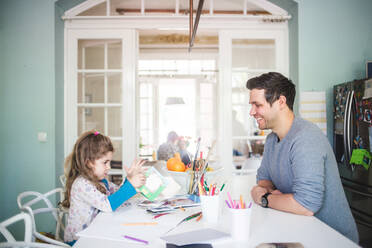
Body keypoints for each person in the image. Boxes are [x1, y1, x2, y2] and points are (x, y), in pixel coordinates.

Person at [247, 72, 359, 243]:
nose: (251, 112)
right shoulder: (271, 139)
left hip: (333, 239)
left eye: (257, 105)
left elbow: (306, 205)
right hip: (302, 231)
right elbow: (263, 181)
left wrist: (265, 199)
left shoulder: (306, 138)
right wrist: (275, 195)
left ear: (281, 102)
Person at [61, 130, 146, 246]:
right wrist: (131, 184)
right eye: (105, 162)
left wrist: (129, 179)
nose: (109, 167)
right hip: (79, 240)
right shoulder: (82, 184)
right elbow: (107, 205)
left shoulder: (101, 181)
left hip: (96, 232)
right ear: (89, 162)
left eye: (109, 162)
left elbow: (117, 193)